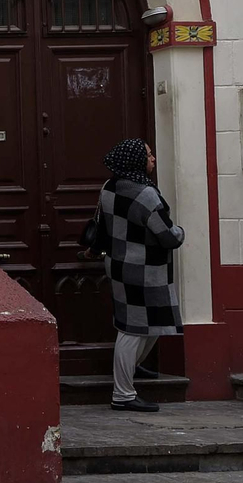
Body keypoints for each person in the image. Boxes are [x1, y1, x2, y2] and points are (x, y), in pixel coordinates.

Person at [98, 138, 184, 413]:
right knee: (132, 329)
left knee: (150, 323)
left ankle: (131, 368)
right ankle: (123, 394)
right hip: (143, 270)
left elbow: (102, 226)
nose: (153, 159)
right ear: (136, 160)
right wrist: (181, 231)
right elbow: (167, 237)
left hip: (119, 266)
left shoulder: (109, 187)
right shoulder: (145, 195)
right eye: (148, 155)